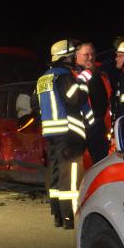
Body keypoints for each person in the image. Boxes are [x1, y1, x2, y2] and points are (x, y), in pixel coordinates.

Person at [36, 39, 94, 229]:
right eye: (71, 54)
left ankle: (58, 215)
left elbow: (34, 105)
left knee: (54, 173)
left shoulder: (43, 79)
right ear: (65, 57)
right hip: (68, 132)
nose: (73, 58)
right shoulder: (63, 75)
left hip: (50, 132)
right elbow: (74, 98)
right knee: (70, 174)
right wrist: (84, 79)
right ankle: (70, 217)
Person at [76, 42, 113, 163]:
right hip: (79, 126)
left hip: (99, 125)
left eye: (93, 54)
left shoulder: (102, 73)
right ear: (77, 55)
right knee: (76, 163)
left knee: (101, 162)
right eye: (86, 54)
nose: (90, 57)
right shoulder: (70, 75)